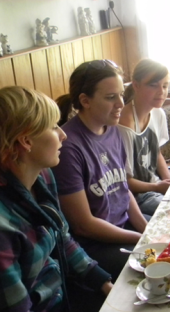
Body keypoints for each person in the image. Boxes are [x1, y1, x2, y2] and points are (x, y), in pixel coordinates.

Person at [0, 86, 112, 311]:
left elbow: (61, 236)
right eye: (53, 127)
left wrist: (103, 282)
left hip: (60, 293)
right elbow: (17, 305)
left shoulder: (43, 176)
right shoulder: (4, 225)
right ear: (26, 141)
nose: (63, 134)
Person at [52, 59, 148, 282]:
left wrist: (146, 228)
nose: (121, 104)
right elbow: (84, 225)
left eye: (121, 95)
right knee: (157, 264)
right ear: (85, 100)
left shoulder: (112, 129)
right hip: (95, 245)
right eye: (110, 97)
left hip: (124, 225)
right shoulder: (69, 147)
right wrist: (142, 239)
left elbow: (124, 190)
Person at [118, 59, 170, 216]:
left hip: (154, 186)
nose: (161, 92)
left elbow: (157, 154)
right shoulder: (124, 125)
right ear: (136, 85)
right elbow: (124, 181)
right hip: (137, 197)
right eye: (153, 85)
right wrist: (157, 187)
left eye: (165, 86)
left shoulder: (158, 113)